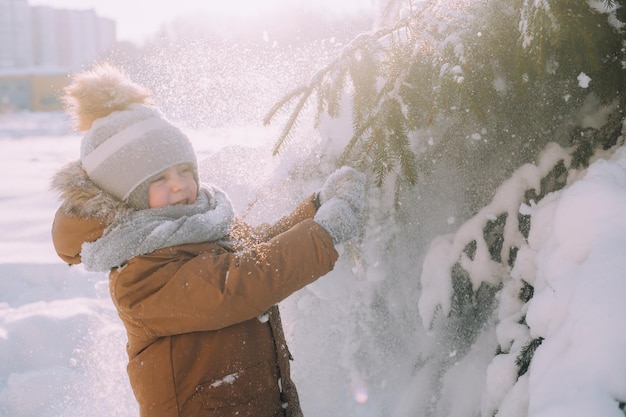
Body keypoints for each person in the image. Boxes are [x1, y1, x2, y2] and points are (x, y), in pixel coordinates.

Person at [50, 63, 366, 417]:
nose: (180, 185)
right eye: (161, 179)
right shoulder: (139, 276)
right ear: (129, 196)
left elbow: (255, 247)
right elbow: (236, 283)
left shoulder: (198, 225)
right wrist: (321, 234)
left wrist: (315, 209)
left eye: (185, 171)